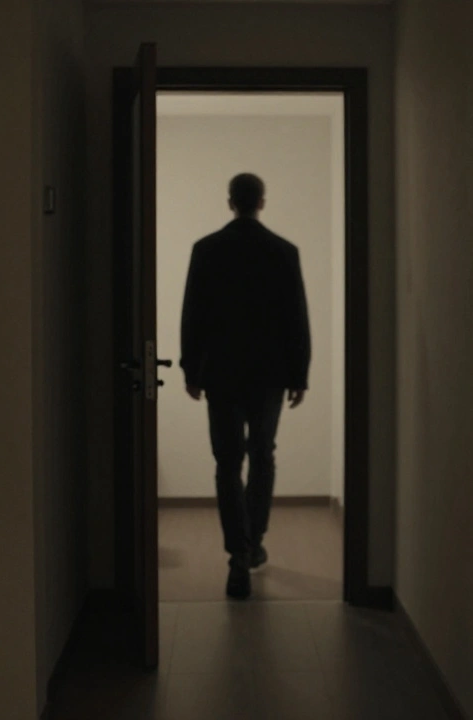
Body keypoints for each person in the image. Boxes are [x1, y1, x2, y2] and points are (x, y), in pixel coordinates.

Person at [179, 173, 312, 600]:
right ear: (262, 202)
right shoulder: (283, 251)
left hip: (222, 372)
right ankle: (254, 543)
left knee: (227, 462)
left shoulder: (207, 249)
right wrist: (299, 373)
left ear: (230, 201)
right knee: (262, 456)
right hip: (269, 374)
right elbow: (297, 317)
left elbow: (193, 314)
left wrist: (190, 370)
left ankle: (237, 555)